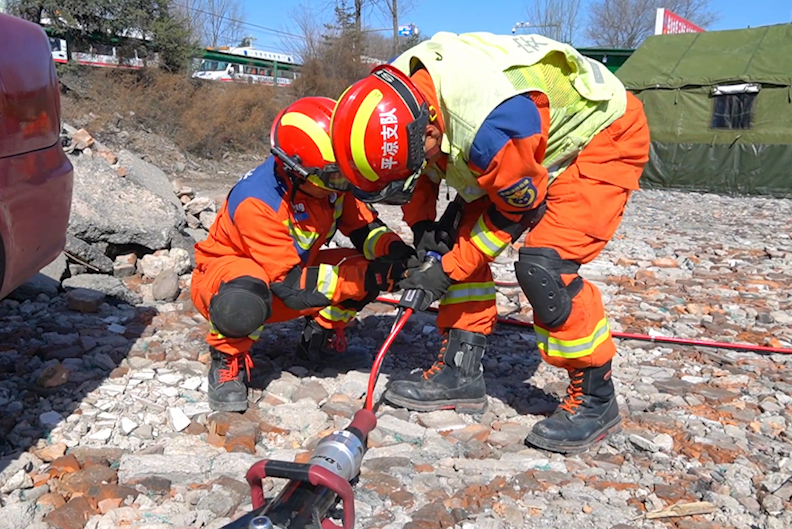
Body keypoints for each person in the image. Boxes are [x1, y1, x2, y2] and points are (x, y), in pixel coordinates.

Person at [327, 31, 650, 453]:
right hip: (516, 135)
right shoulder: (399, 92)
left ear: (426, 133)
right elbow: (423, 171)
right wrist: (425, 229)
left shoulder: (488, 129)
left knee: (545, 266)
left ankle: (596, 400)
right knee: (450, 243)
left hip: (606, 134)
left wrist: (446, 270)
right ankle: (461, 372)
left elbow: (515, 211)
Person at [190, 96, 415, 412]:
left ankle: (317, 342)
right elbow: (289, 285)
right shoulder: (257, 202)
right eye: (337, 177)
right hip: (226, 277)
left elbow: (365, 229)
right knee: (247, 290)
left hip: (289, 271)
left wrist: (396, 254)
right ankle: (227, 359)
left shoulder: (327, 181)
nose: (345, 184)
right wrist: (369, 276)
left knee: (367, 268)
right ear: (295, 171)